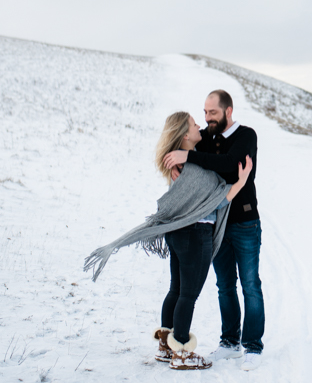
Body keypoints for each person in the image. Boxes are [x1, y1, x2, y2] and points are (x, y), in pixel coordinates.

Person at [84, 111, 252, 371]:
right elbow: (217, 201)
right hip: (196, 235)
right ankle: (182, 351)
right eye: (195, 124)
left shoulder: (183, 165)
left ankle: (165, 346)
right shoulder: (196, 169)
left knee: (176, 290)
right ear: (185, 135)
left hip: (178, 234)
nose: (200, 125)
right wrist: (241, 181)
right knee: (189, 294)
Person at [163, 89, 265, 371]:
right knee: (224, 286)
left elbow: (230, 165)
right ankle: (230, 342)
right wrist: (178, 165)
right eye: (205, 113)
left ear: (228, 111)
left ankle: (253, 346)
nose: (207, 118)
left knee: (250, 285)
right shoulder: (206, 136)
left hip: (244, 222)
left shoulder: (247, 135)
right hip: (216, 226)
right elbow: (187, 148)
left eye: (213, 113)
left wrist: (189, 158)